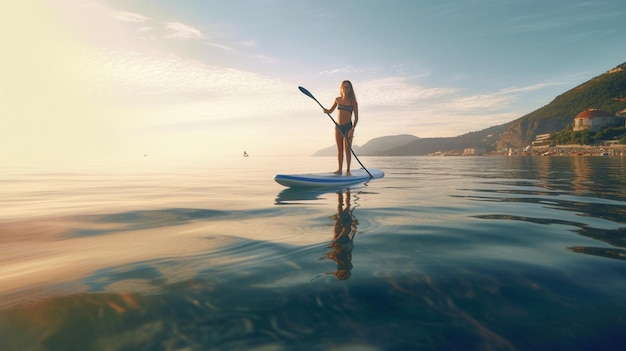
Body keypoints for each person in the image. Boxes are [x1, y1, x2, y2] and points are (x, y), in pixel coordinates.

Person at [323, 80, 358, 176]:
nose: (346, 89)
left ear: (350, 89)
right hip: (338, 127)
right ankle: (339, 169)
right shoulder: (337, 99)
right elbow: (330, 111)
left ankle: (348, 171)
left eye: (348, 87)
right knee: (340, 150)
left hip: (348, 127)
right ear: (341, 88)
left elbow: (356, 118)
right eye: (344, 87)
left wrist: (352, 129)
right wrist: (326, 111)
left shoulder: (353, 102)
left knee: (347, 149)